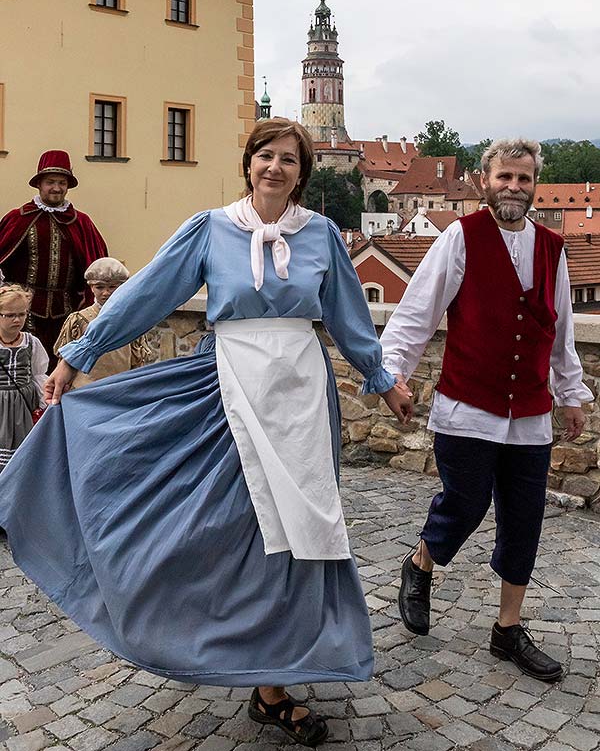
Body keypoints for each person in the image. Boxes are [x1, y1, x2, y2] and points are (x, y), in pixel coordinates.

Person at [0, 118, 410, 747]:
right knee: (227, 524)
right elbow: (145, 294)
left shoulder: (322, 234)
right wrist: (79, 353)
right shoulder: (212, 228)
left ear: (303, 173)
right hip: (228, 387)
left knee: (298, 530)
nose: (275, 168)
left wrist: (382, 377)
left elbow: (350, 318)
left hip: (301, 397)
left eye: (289, 160)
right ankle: (204, 634)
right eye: (265, 157)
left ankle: (274, 681)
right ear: (248, 163)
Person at [380, 137, 592, 683]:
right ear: (484, 181)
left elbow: (561, 329)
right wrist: (392, 376)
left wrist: (572, 394)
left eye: (523, 179)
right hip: (466, 405)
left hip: (529, 412)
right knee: (466, 502)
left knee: (524, 520)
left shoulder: (552, 247)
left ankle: (507, 628)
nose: (514, 188)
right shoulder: (460, 237)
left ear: (535, 185)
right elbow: (414, 315)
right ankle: (421, 563)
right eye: (505, 178)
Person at [0, 150, 108, 369]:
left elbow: (99, 266)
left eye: (61, 182)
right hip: (23, 312)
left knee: (63, 369)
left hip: (67, 312)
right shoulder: (18, 218)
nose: (57, 188)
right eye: (50, 182)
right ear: (39, 184)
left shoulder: (82, 223)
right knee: (23, 368)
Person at [54, 258, 152, 387]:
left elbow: (138, 361)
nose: (106, 293)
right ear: (91, 288)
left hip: (120, 388)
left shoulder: (130, 320)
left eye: (112, 287)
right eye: (100, 287)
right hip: (84, 391)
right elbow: (64, 360)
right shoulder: (79, 320)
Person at [0, 283, 48, 473]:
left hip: (23, 406)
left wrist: (45, 401)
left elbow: (38, 374)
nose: (17, 320)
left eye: (22, 314)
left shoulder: (31, 342)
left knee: (21, 457)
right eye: (10, 315)